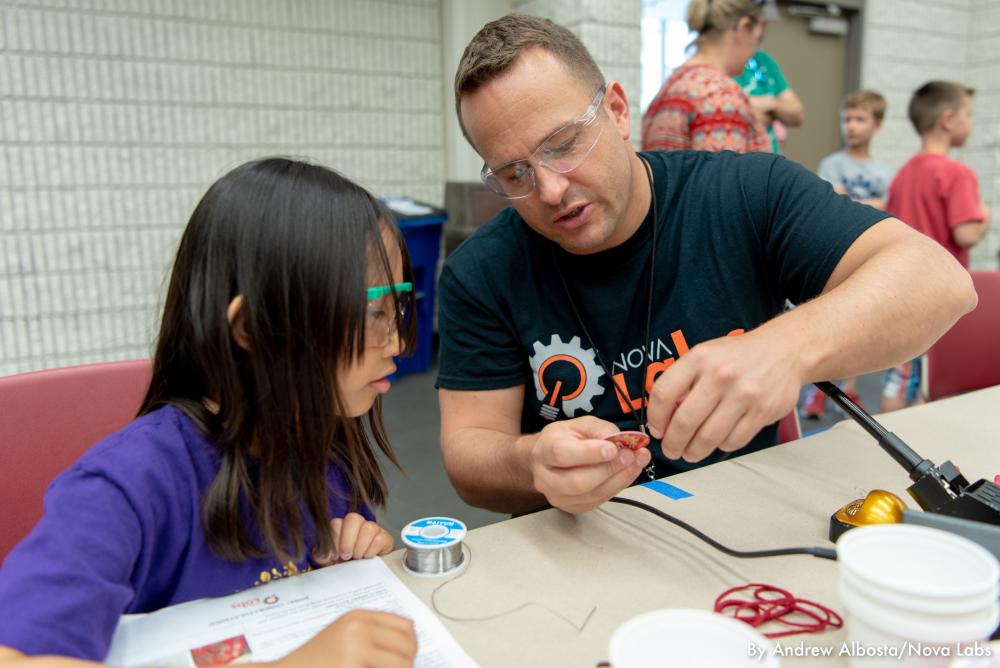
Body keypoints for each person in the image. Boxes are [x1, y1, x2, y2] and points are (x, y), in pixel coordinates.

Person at [436, 13, 976, 516]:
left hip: (747, 515)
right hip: (584, 540)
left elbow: (939, 280)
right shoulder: (480, 272)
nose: (551, 190)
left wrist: (784, 350)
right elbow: (468, 451)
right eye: (514, 175)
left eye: (564, 144)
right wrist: (530, 462)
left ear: (618, 112)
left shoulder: (744, 192)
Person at [0, 159, 419, 666]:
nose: (397, 340)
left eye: (398, 305)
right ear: (253, 329)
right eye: (372, 310)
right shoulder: (126, 486)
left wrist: (350, 557)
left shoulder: (323, 449)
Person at [880, 81, 991, 412]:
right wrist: (985, 216)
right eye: (968, 114)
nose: (971, 122)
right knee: (932, 378)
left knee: (900, 375)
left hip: (904, 288)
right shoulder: (958, 173)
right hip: (939, 294)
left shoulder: (905, 172)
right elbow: (967, 234)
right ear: (947, 119)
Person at [801, 89, 893, 418]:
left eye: (860, 119)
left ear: (877, 125)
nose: (851, 126)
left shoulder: (883, 170)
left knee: (860, 320)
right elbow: (836, 203)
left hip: (867, 253)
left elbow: (888, 208)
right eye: (847, 119)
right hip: (838, 249)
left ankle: (849, 388)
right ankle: (817, 391)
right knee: (828, 319)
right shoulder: (832, 164)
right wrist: (873, 205)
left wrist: (865, 205)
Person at [641, 0, 771, 153]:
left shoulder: (674, 85)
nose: (754, 52)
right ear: (742, 28)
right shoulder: (721, 95)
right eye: (758, 39)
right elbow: (723, 175)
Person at [735, 48, 805, 154]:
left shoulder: (762, 60)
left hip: (768, 159)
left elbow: (797, 113)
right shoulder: (714, 65)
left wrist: (771, 103)